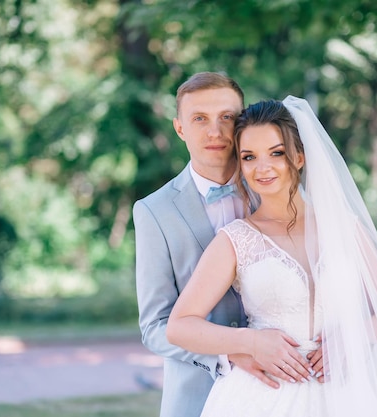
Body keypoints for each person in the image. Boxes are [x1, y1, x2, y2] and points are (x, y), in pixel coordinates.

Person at [167, 96, 377, 416]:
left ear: (298, 157)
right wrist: (250, 342)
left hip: (348, 392)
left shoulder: (346, 228)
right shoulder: (236, 239)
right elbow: (179, 326)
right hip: (265, 397)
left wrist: (353, 339)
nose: (263, 167)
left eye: (276, 153)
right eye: (249, 156)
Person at [133, 73, 319, 417]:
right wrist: (234, 351)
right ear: (179, 128)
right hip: (199, 393)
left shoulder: (277, 183)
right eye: (199, 119)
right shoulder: (153, 211)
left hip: (298, 384)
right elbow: (156, 325)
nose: (215, 132)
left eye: (226, 118)